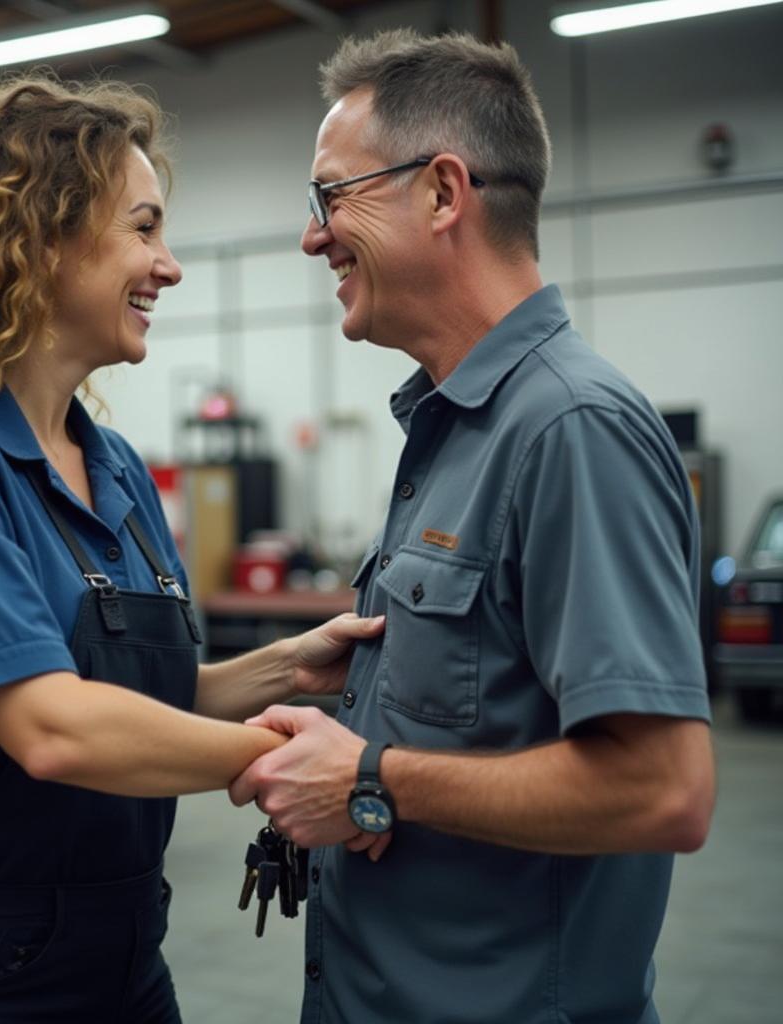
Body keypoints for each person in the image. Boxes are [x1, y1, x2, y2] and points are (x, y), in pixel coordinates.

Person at [0, 76, 383, 1023]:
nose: (170, 266)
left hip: (121, 947)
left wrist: (283, 669)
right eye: (143, 229)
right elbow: (52, 726)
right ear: (40, 234)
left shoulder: (110, 465)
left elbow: (130, 701)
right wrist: (284, 766)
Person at [230, 29, 716, 1024]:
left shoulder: (569, 430)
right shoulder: (452, 431)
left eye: (331, 197)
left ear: (443, 192)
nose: (312, 237)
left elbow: (663, 790)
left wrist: (368, 777)